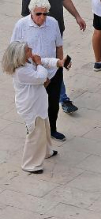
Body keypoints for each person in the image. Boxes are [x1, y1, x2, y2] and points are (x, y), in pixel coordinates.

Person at [21, 0, 86, 114]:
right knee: (49, 65)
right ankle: (60, 98)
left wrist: (77, 16)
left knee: (57, 64)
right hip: (40, 37)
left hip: (57, 32)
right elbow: (25, 17)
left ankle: (58, 96)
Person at [11, 0, 67, 141]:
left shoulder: (53, 23)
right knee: (34, 107)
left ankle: (52, 130)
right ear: (31, 12)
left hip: (53, 70)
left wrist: (60, 65)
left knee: (53, 105)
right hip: (33, 74)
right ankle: (33, 132)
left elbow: (58, 46)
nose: (42, 17)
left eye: (45, 14)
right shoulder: (21, 25)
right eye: (38, 14)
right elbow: (14, 51)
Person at [2, 41, 64, 174]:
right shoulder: (20, 72)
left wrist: (57, 62)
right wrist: (39, 63)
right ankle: (30, 164)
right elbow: (41, 77)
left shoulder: (27, 62)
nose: (31, 50)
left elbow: (43, 60)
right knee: (35, 134)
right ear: (21, 55)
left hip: (38, 103)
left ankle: (47, 151)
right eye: (27, 49)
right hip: (31, 107)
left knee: (45, 129)